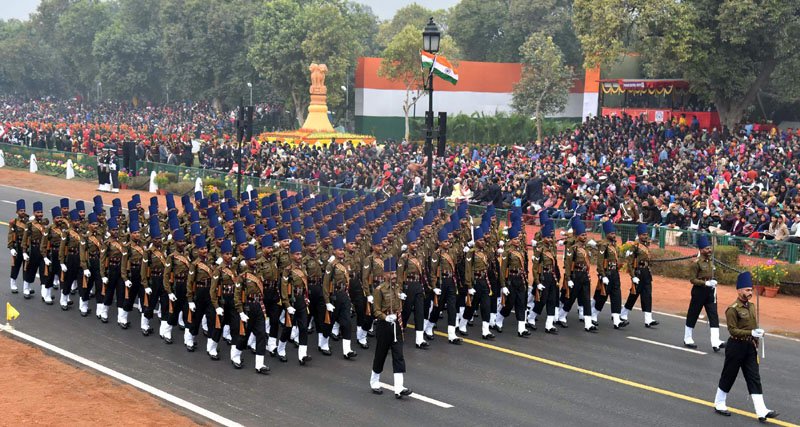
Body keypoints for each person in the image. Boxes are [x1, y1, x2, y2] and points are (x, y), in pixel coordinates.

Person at [713, 272, 779, 422]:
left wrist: (757, 333)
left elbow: (753, 325)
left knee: (754, 377)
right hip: (736, 345)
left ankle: (761, 410)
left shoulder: (752, 307)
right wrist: (751, 332)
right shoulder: (732, 309)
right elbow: (732, 330)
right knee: (729, 375)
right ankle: (719, 403)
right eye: (747, 290)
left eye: (751, 290)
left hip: (750, 346)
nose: (750, 293)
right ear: (739, 290)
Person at [369, 256, 412, 399]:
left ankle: (399, 387)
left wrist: (401, 299)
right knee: (380, 354)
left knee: (398, 355)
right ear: (385, 274)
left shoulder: (397, 287)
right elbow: (375, 310)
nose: (394, 276)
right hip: (384, 325)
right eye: (391, 273)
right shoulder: (379, 290)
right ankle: (374, 381)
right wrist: (385, 317)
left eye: (395, 273)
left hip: (396, 324)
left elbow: (397, 303)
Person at [684, 235, 726, 351]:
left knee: (713, 315)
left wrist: (713, 281)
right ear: (701, 250)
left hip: (711, 291)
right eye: (707, 248)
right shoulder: (696, 263)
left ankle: (715, 341)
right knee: (693, 313)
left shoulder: (710, 261)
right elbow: (692, 279)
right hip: (699, 291)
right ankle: (687, 337)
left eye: (710, 248)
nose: (710, 250)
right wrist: (705, 283)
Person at [233, 244, 270, 374]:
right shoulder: (242, 276)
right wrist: (241, 311)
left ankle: (259, 364)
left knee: (261, 334)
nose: (254, 262)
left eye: (255, 259)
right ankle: (236, 356)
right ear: (247, 261)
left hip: (258, 306)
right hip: (248, 307)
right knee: (244, 335)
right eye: (252, 260)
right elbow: (237, 295)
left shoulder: (259, 274)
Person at [322, 236, 357, 359]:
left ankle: (347, 350)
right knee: (329, 322)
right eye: (339, 250)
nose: (342, 252)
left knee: (347, 323)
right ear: (334, 251)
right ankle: (323, 344)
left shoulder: (345, 263)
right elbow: (326, 284)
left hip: (344, 294)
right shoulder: (331, 266)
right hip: (335, 296)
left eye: (342, 249)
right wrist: (327, 301)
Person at [621, 223, 659, 327]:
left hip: (646, 272)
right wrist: (633, 277)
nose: (645, 236)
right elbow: (629, 262)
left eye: (646, 234)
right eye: (643, 234)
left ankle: (648, 319)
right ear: (639, 235)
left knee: (647, 295)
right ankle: (623, 313)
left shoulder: (646, 245)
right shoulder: (635, 246)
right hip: (638, 272)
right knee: (634, 294)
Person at [592, 220, 628, 329]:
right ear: (607, 234)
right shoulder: (604, 245)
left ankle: (617, 320)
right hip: (606, 273)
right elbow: (600, 261)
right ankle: (593, 316)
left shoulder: (614, 245)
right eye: (611, 233)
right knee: (602, 296)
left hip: (614, 273)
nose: (613, 235)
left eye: (614, 233)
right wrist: (602, 275)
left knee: (616, 295)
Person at [21, 201, 46, 300]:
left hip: (43, 250)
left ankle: (44, 293)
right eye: (38, 212)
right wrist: (24, 252)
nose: (40, 214)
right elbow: (25, 238)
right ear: (34, 213)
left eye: (41, 212)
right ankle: (26, 289)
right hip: (34, 249)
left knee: (44, 271)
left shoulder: (45, 223)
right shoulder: (30, 224)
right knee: (31, 269)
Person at [7, 199, 28, 295]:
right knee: (15, 266)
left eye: (24, 210)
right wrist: (11, 248)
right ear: (17, 212)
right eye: (21, 211)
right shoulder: (14, 222)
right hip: (17, 246)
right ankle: (13, 284)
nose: (23, 212)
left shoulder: (29, 221)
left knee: (26, 267)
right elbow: (10, 235)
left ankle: (26, 287)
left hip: (27, 247)